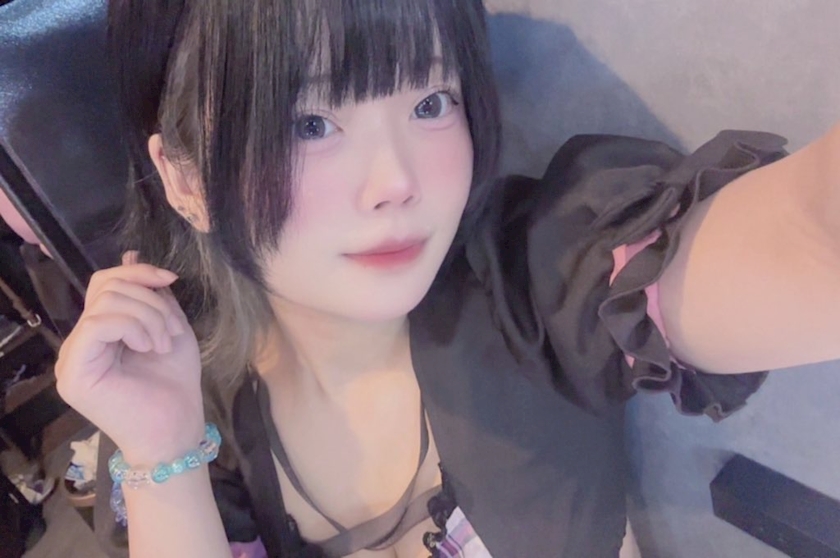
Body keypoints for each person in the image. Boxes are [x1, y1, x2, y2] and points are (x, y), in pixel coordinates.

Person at [54, 1, 840, 557]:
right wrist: (163, 450)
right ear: (186, 179)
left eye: (431, 102)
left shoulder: (535, 277)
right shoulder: (184, 389)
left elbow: (811, 238)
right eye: (310, 124)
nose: (397, 181)